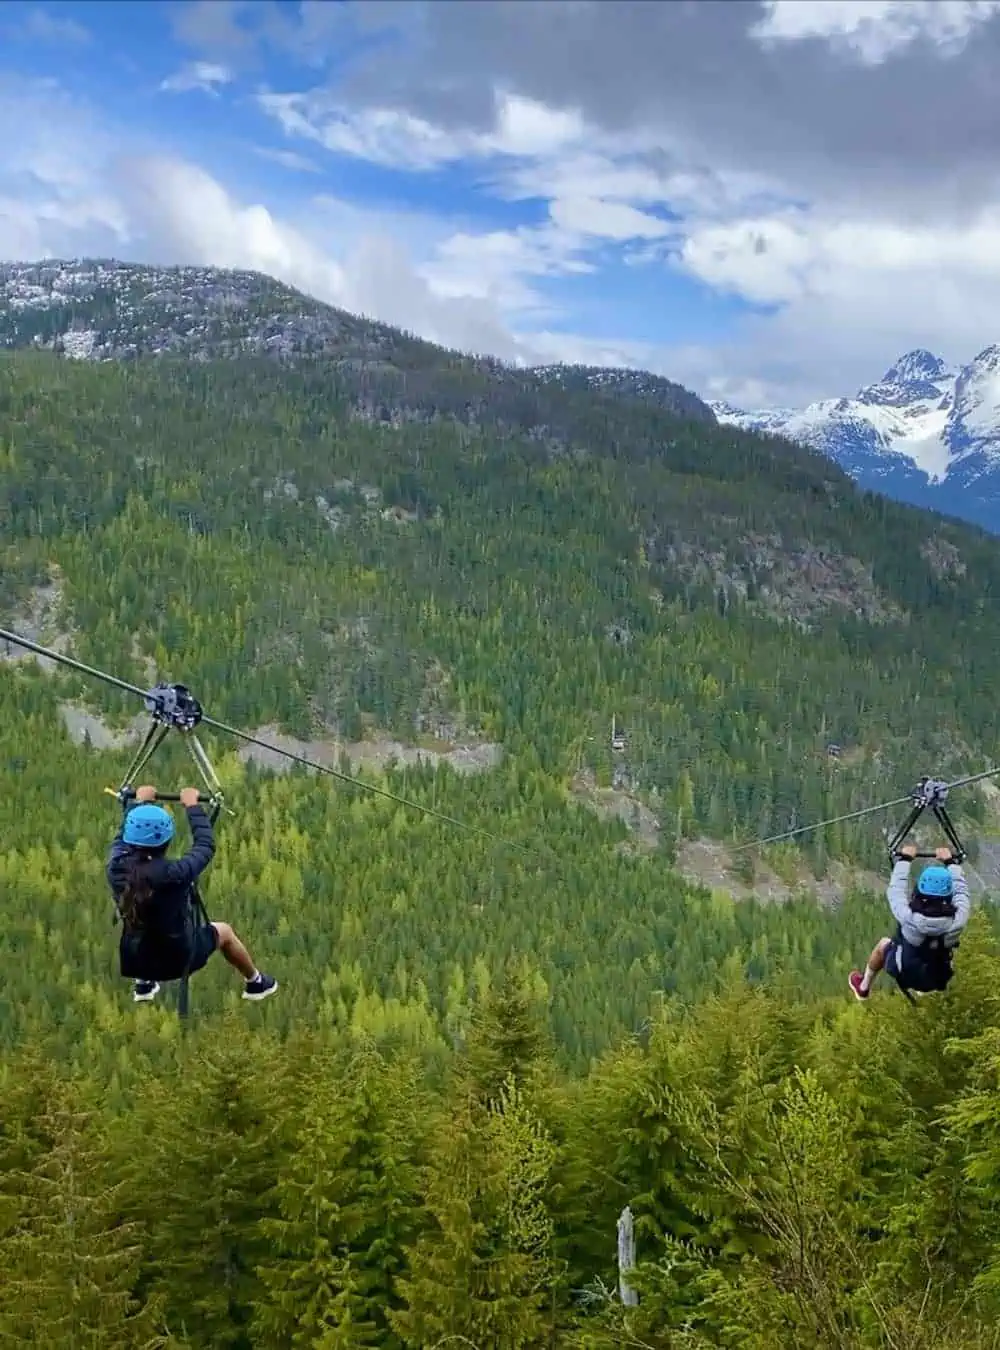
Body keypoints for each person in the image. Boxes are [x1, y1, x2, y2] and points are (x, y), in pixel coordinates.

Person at [107, 784, 278, 1004]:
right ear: (166, 841)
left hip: (136, 959)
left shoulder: (116, 868)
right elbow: (204, 846)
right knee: (224, 932)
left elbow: (122, 839)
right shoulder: (174, 874)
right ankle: (256, 982)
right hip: (178, 959)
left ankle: (144, 983)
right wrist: (192, 807)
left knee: (142, 921)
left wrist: (140, 805)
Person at [849, 844, 970, 1001]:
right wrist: (950, 862)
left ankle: (863, 987)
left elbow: (896, 891)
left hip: (904, 971)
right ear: (948, 895)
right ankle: (926, 988)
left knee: (883, 945)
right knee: (939, 953)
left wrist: (905, 859)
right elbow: (961, 891)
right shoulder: (957, 920)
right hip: (937, 977)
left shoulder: (908, 917)